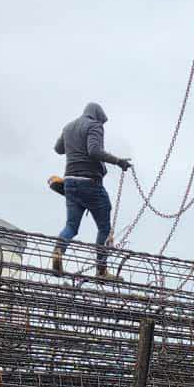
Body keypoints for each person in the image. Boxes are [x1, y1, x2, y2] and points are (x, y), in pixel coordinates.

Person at [52, 101, 132, 278]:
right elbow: (94, 151)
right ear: (97, 115)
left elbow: (58, 149)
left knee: (71, 226)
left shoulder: (68, 127)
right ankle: (101, 270)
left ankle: (58, 251)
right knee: (104, 228)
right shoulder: (94, 125)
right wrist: (119, 161)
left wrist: (72, 142)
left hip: (70, 181)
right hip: (90, 182)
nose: (101, 125)